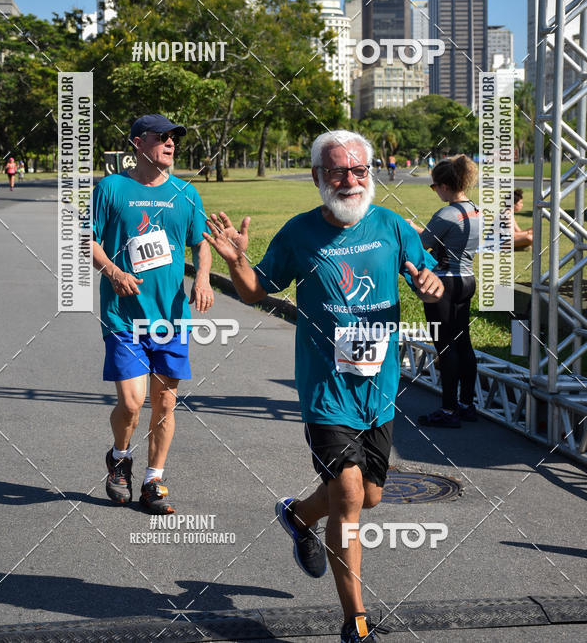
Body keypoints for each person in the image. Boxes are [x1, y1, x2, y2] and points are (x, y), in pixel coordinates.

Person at [203, 130, 443, 643]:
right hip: (324, 392)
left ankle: (298, 514)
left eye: (359, 170)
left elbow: (427, 275)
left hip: (378, 389)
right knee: (351, 495)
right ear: (318, 176)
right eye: (338, 171)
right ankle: (355, 619)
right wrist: (237, 261)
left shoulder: (392, 225)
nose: (351, 180)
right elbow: (254, 293)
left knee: (370, 497)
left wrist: (431, 283)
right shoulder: (298, 233)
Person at [92, 113, 214, 514]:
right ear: (138, 144)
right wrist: (112, 270)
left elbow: (202, 243)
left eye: (174, 137)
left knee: (164, 404)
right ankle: (120, 456)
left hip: (170, 317)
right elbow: (87, 240)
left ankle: (152, 480)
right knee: (132, 402)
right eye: (162, 137)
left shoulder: (185, 193)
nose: (171, 143)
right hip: (124, 314)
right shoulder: (111, 188)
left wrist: (203, 279)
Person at [407, 155, 480, 428]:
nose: (435, 191)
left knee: (445, 346)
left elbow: (422, 245)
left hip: (443, 285)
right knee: (463, 343)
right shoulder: (474, 209)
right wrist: (421, 230)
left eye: (434, 186)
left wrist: (409, 230)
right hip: (466, 279)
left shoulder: (446, 213)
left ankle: (448, 411)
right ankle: (466, 404)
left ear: (445, 185)